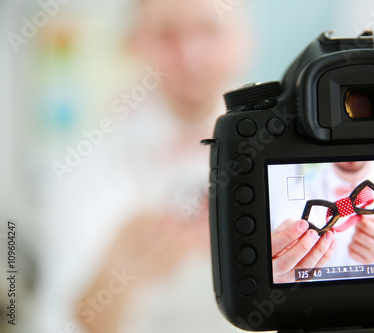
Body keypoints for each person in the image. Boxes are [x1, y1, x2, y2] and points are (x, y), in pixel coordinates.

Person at [68, 0, 251, 332]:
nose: (191, 56)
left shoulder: (285, 150)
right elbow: (68, 318)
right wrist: (118, 274)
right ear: (135, 43)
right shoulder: (87, 163)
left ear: (243, 37)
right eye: (167, 35)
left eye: (209, 29)